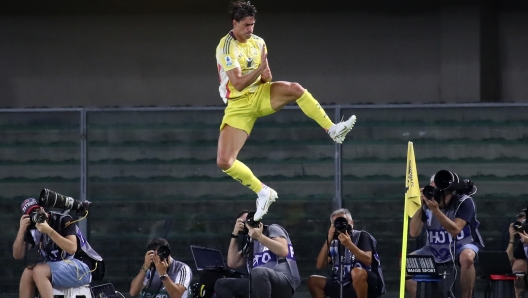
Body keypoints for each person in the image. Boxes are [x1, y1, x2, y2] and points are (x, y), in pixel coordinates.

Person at [215, 0, 357, 221]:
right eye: (246, 25)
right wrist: (260, 69)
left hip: (260, 95)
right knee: (224, 161)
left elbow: (267, 77)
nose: (250, 29)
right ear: (235, 23)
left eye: (253, 24)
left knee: (295, 89)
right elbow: (239, 83)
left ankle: (333, 129)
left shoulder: (259, 42)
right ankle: (263, 191)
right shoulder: (225, 47)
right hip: (239, 105)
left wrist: (264, 72)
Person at [406, 170, 485, 298]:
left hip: (462, 245)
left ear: (452, 193)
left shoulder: (464, 202)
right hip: (433, 248)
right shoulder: (427, 203)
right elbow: (414, 233)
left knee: (467, 258)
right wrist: (419, 206)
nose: (437, 197)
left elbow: (455, 230)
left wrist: (435, 210)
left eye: (441, 194)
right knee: (407, 262)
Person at [13, 198, 102, 298]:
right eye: (32, 214)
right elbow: (17, 255)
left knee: (39, 271)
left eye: (37, 211)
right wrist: (21, 231)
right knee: (27, 272)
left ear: (42, 208)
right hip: (56, 266)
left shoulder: (63, 219)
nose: (37, 215)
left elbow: (72, 248)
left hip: (81, 266)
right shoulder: (32, 229)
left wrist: (49, 231)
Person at [213, 210, 300, 298]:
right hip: (258, 285)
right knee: (222, 284)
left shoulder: (272, 229)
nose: (249, 223)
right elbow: (233, 263)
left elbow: (284, 251)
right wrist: (235, 235)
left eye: (251, 219)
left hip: (283, 283)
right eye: (244, 223)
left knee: (258, 272)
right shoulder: (250, 243)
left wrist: (260, 237)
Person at [307, 208, 385, 298]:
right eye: (337, 223)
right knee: (313, 281)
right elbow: (320, 265)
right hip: (342, 282)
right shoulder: (334, 241)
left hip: (367, 284)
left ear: (352, 223)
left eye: (344, 222)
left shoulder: (362, 236)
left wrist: (349, 245)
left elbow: (368, 260)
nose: (341, 225)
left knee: (356, 272)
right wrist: (328, 240)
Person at [506, 208, 528, 298]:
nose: (522, 226)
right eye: (520, 224)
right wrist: (512, 239)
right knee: (518, 264)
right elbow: (508, 260)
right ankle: (518, 295)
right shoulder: (518, 241)